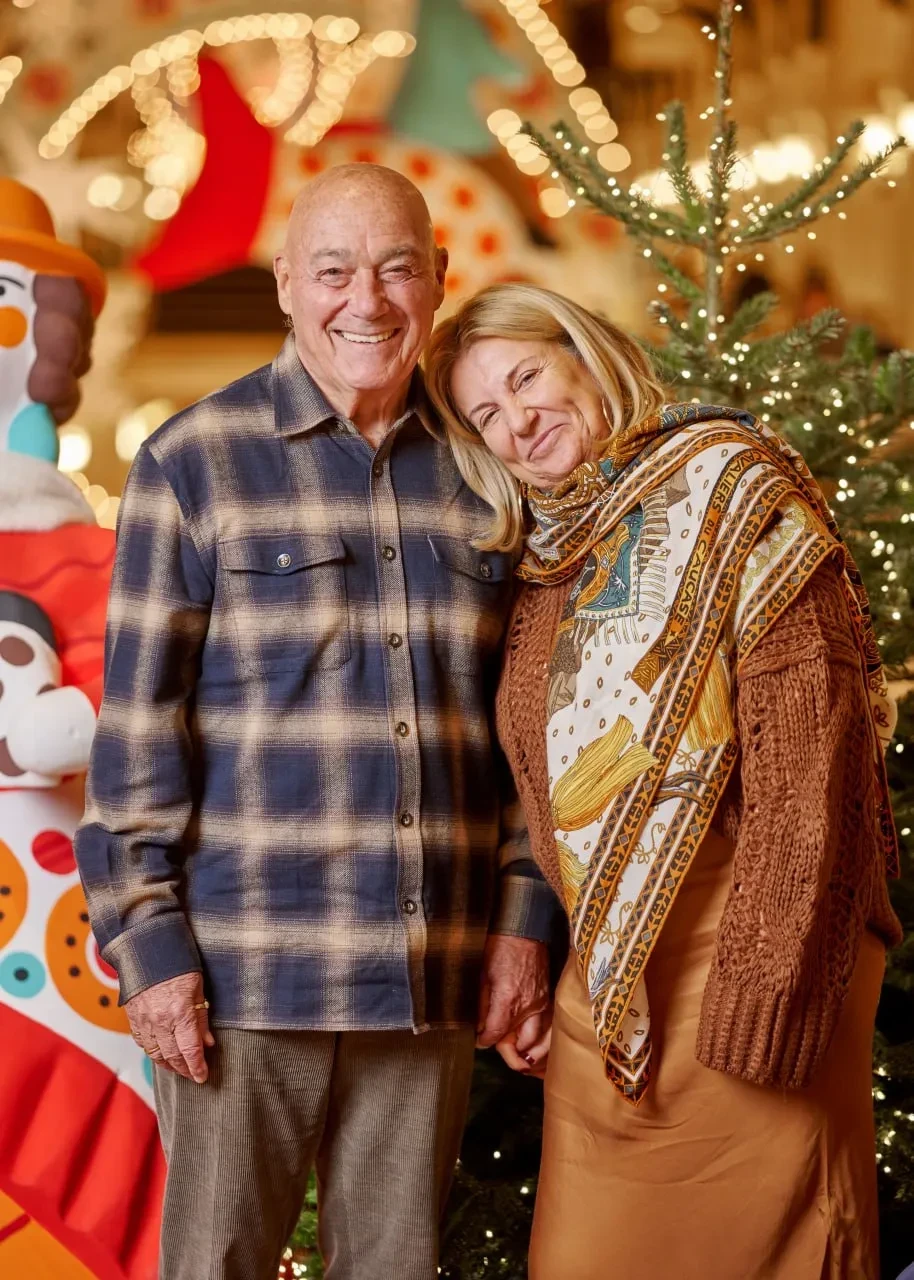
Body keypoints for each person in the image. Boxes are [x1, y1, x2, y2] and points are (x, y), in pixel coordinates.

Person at [75, 168, 556, 1280]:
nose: (366, 300)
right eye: (333, 270)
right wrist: (149, 953)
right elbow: (137, 737)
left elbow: (529, 736)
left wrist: (524, 919)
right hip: (242, 983)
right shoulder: (191, 462)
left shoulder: (491, 469)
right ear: (287, 283)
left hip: (431, 977)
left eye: (396, 268)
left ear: (438, 280)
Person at [425, 282, 902, 1280]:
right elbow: (547, 787)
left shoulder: (732, 485)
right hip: (608, 995)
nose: (518, 420)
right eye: (487, 414)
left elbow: (812, 753)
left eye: (526, 376)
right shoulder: (546, 560)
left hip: (754, 959)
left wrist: (766, 987)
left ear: (582, 352)